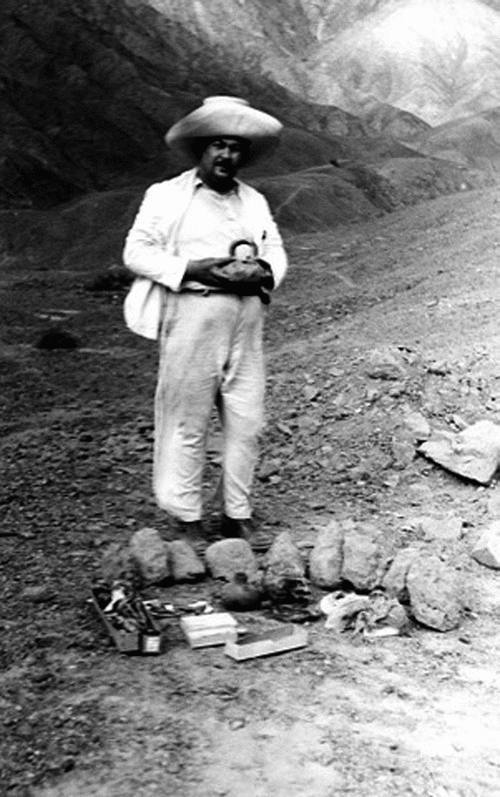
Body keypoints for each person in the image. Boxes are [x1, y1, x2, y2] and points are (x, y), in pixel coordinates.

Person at [122, 95, 288, 553]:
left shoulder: (253, 201)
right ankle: (187, 516)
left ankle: (237, 513)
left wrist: (264, 272)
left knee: (246, 419)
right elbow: (136, 251)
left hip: (246, 320)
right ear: (201, 147)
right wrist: (194, 269)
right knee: (186, 420)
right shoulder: (166, 196)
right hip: (193, 314)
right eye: (218, 145)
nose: (226, 155)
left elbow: (274, 250)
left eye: (235, 147)